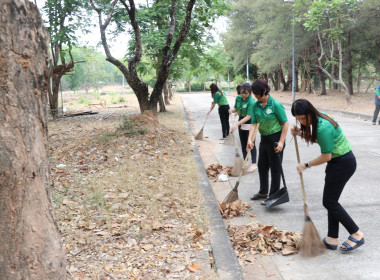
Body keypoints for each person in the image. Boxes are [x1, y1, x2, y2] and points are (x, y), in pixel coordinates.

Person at [291, 99, 364, 252]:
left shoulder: (323, 126)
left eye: (304, 118)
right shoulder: (320, 117)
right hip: (339, 163)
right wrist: (299, 133)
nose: (303, 123)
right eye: (299, 120)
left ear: (310, 112)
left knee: (329, 202)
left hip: (342, 163)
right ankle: (332, 238)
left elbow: (326, 156)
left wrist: (306, 165)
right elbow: (320, 140)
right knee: (332, 200)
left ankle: (356, 234)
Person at [247, 79, 289, 203]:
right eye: (254, 94)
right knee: (262, 166)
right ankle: (263, 192)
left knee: (275, 168)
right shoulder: (256, 105)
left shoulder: (275, 104)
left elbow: (285, 123)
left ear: (265, 91)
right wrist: (250, 139)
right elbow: (254, 124)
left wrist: (281, 142)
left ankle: (273, 195)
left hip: (276, 138)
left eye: (257, 94)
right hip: (264, 139)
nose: (256, 96)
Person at [231, 82, 257, 173]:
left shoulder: (251, 101)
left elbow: (249, 116)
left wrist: (237, 124)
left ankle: (254, 164)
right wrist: (231, 110)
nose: (243, 95)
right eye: (242, 92)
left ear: (250, 93)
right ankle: (246, 161)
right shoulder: (238, 98)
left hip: (250, 122)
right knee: (243, 143)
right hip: (241, 120)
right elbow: (236, 108)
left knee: (250, 143)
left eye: (245, 93)